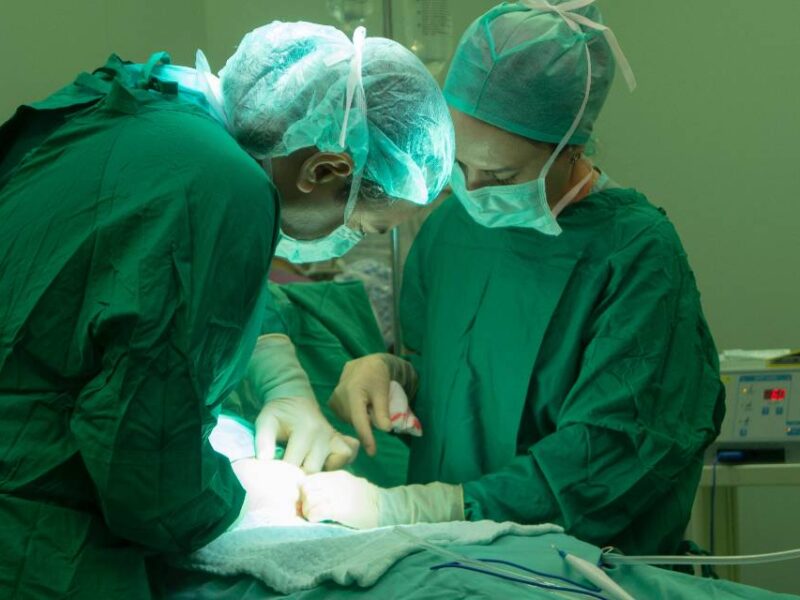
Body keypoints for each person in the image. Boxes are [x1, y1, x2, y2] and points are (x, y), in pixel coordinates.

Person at [0, 20, 453, 599]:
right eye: (359, 225)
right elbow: (145, 460)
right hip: (31, 525)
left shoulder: (144, 106)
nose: (344, 239)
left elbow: (126, 285)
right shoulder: (225, 188)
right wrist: (239, 495)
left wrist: (281, 379)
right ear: (323, 170)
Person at [301, 0, 725, 558]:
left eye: (501, 175)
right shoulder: (451, 229)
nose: (473, 190)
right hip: (448, 564)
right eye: (459, 164)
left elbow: (615, 452)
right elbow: (462, 380)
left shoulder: (634, 254)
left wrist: (430, 509)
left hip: (581, 572)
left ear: (569, 149)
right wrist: (396, 373)